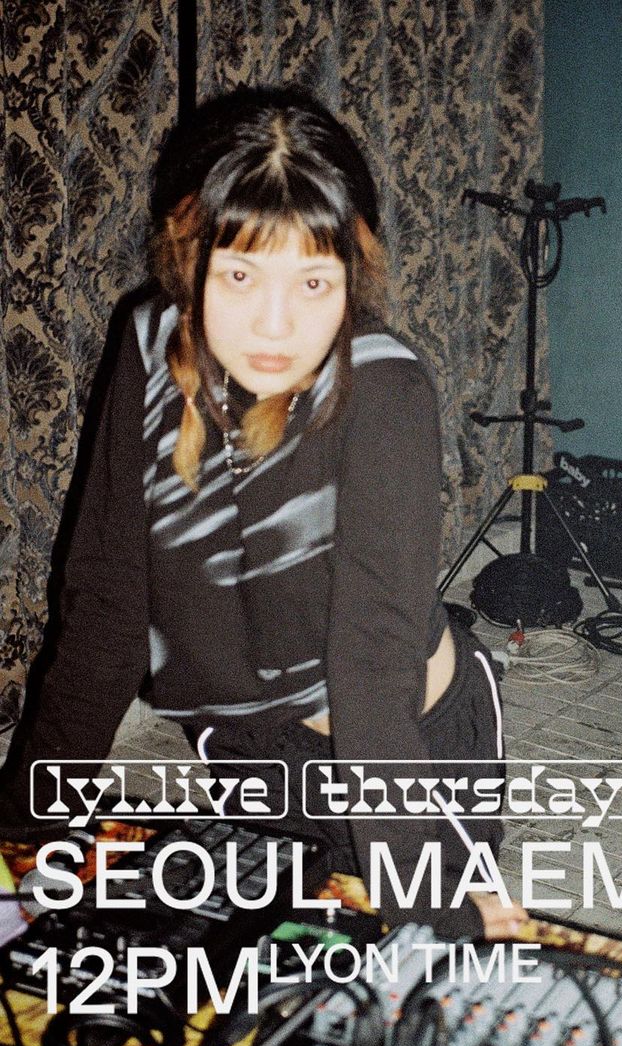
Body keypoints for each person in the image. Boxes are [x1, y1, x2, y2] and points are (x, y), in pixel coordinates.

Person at [0, 87, 525, 940]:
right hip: (246, 747)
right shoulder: (149, 345)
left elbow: (371, 665)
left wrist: (432, 909)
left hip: (405, 744)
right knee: (264, 967)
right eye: (241, 275)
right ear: (191, 256)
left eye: (313, 282)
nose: (274, 326)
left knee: (420, 975)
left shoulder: (385, 391)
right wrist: (22, 830)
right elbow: (106, 611)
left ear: (351, 271)